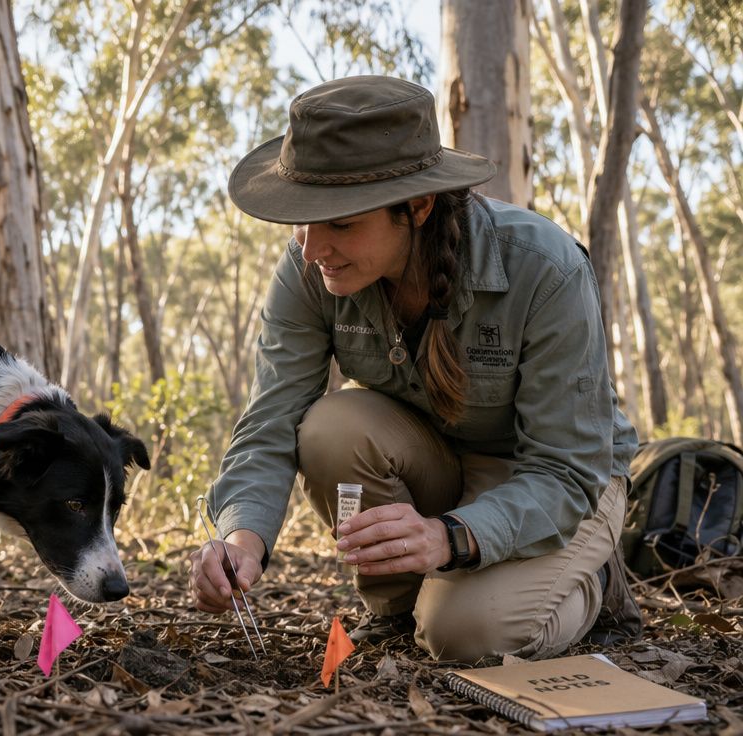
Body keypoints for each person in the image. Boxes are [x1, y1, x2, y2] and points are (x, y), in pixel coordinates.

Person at [188, 75, 642, 663]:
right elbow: (272, 420)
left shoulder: (544, 268)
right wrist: (241, 538)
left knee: (467, 636)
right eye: (302, 218)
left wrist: (450, 537)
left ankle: (594, 581)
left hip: (555, 482)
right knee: (331, 427)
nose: (311, 247)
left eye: (341, 222)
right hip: (439, 463)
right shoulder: (309, 269)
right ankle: (399, 609)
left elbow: (565, 468)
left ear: (419, 206)